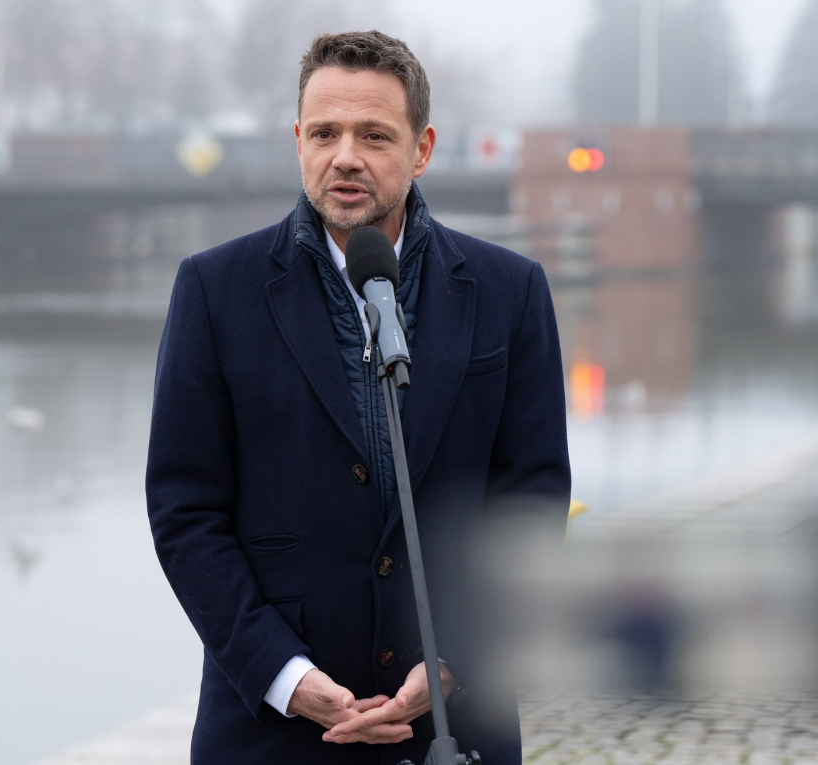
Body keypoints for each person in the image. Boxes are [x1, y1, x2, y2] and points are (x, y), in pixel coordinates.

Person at [146, 30, 570, 765]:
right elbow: (185, 510)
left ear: (422, 149)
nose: (345, 156)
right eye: (324, 133)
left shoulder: (510, 291)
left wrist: (457, 661)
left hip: (455, 730)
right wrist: (284, 675)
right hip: (271, 735)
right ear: (298, 142)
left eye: (373, 135)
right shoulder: (214, 290)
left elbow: (529, 503)